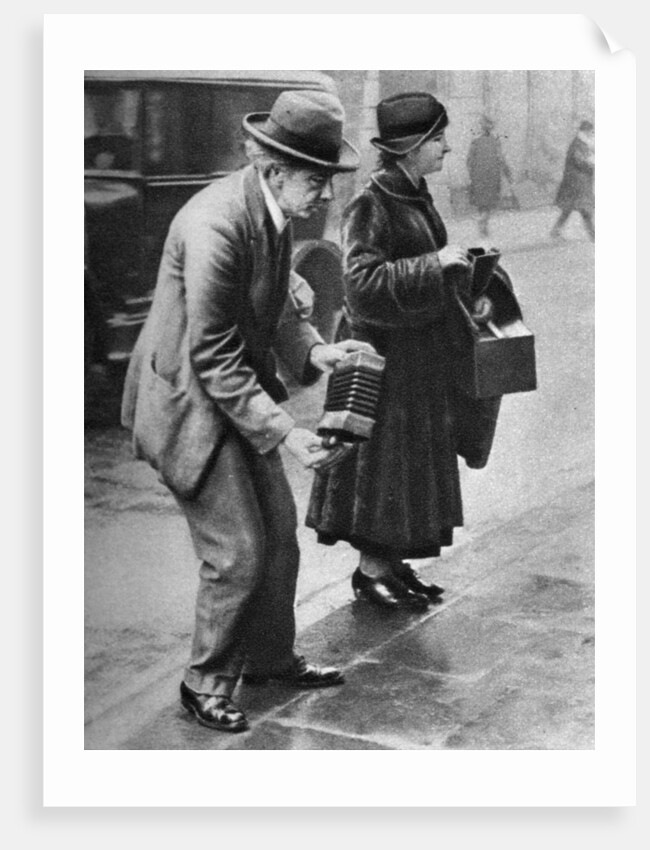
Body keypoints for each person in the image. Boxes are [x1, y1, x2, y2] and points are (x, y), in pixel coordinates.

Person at [121, 89, 372, 733]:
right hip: (189, 406)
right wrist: (286, 430)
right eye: (318, 181)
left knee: (278, 538)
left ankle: (268, 659)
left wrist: (315, 352)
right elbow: (213, 350)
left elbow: (280, 303)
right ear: (274, 169)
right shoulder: (217, 223)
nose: (327, 195)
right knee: (237, 553)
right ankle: (202, 682)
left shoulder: (274, 211)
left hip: (232, 402)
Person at [307, 91, 500, 611]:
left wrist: (462, 271)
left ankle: (394, 566)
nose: (445, 147)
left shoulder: (413, 195)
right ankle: (371, 573)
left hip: (419, 355)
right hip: (385, 362)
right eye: (437, 138)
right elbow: (360, 285)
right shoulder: (371, 203)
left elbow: (418, 270)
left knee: (413, 465)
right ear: (411, 146)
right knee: (385, 468)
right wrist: (435, 264)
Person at [466, 115, 513, 237]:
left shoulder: (475, 142)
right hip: (492, 175)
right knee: (489, 202)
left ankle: (483, 225)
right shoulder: (495, 142)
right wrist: (508, 173)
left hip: (478, 175)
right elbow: (501, 159)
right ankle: (484, 223)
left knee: (481, 202)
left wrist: (472, 174)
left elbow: (469, 160)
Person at [550, 120, 595, 241]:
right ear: (584, 131)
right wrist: (593, 165)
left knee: (569, 209)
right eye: (591, 131)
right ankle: (594, 235)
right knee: (585, 210)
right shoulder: (578, 144)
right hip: (577, 183)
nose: (592, 134)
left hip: (578, 182)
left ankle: (555, 231)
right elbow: (580, 161)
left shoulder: (582, 143)